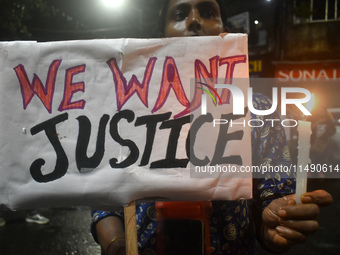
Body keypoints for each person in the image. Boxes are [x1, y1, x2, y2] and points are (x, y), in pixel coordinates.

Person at [90, 0, 333, 254]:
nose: (194, 21)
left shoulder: (258, 110)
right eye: (180, 14)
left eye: (207, 12)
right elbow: (105, 202)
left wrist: (274, 225)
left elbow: (272, 199)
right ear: (162, 36)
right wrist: (116, 244)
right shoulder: (130, 110)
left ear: (224, 31)